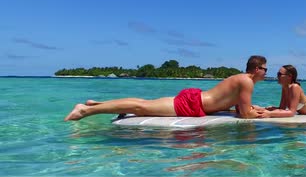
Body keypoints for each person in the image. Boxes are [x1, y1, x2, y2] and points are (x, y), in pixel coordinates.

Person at [64, 55, 271, 121]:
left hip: (194, 101)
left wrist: (255, 109)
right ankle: (85, 110)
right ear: (256, 68)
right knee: (141, 107)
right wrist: (270, 115)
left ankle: (96, 104)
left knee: (144, 105)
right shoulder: (246, 81)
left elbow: (238, 108)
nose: (266, 73)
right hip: (191, 105)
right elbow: (244, 115)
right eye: (265, 69)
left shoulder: (242, 80)